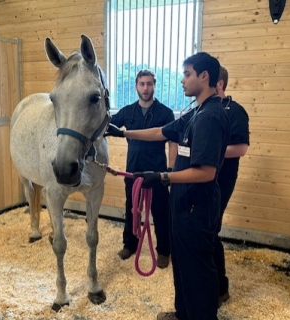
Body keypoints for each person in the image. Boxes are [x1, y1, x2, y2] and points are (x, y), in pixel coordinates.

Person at [106, 52, 230, 320]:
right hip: (185, 203)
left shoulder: (210, 117)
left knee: (197, 268)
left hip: (198, 206)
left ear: (204, 76)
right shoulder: (195, 112)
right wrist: (124, 132)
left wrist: (163, 177)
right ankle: (183, 314)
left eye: (187, 74)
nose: (182, 80)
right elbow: (162, 132)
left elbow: (207, 172)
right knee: (184, 265)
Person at [109, 69, 177, 269]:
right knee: (132, 209)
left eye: (149, 84)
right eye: (142, 84)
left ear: (154, 85)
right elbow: (107, 126)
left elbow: (173, 141)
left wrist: (171, 171)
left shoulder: (165, 113)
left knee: (161, 212)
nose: (146, 88)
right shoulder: (127, 112)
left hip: (157, 172)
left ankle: (164, 251)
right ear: (136, 86)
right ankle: (130, 244)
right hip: (133, 171)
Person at [214, 66, 250, 307]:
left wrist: (209, 152)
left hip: (222, 178)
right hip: (199, 177)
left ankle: (220, 287)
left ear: (219, 83)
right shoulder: (200, 110)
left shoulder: (235, 111)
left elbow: (241, 148)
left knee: (210, 230)